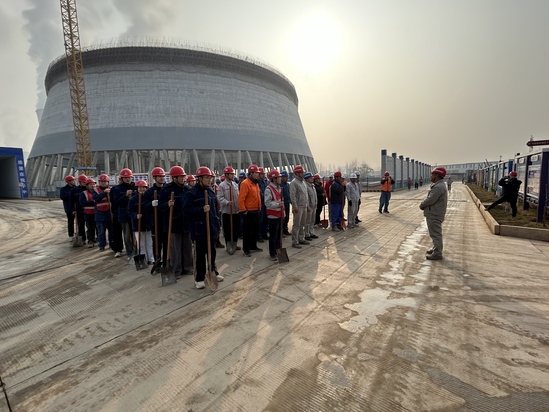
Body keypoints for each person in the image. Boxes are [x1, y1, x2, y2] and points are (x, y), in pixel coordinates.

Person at [183, 167, 224, 289]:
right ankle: (199, 278)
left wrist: (218, 224)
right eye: (207, 178)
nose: (209, 180)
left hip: (212, 228)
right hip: (199, 230)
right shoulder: (192, 193)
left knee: (212, 252)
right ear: (199, 179)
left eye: (210, 178)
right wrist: (201, 210)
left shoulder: (210, 191)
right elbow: (186, 211)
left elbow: (216, 210)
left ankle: (213, 272)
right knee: (200, 255)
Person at [159, 166, 193, 279]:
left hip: (185, 223)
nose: (183, 178)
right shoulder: (166, 190)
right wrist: (167, 204)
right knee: (175, 250)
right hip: (173, 224)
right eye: (181, 177)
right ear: (174, 178)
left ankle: (188, 267)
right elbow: (160, 206)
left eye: (183, 176)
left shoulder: (187, 189)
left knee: (187, 247)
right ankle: (176, 270)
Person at [419, 167, 449, 261]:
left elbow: (430, 199)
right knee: (434, 233)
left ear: (437, 175)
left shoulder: (438, 187)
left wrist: (422, 205)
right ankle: (436, 248)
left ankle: (437, 253)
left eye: (432, 175)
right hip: (435, 212)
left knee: (436, 234)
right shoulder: (439, 185)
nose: (431, 176)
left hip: (434, 214)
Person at [143, 167, 167, 269]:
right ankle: (157, 261)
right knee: (157, 243)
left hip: (166, 220)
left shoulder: (167, 189)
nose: (162, 178)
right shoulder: (149, 192)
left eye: (163, 176)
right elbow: (144, 207)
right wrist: (151, 204)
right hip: (155, 221)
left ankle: (166, 262)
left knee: (167, 243)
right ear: (154, 178)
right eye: (159, 176)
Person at [238, 164, 263, 257]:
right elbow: (241, 198)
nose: (258, 174)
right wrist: (243, 210)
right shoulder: (245, 183)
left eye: (258, 173)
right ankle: (246, 249)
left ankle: (253, 246)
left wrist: (259, 207)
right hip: (248, 212)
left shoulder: (256, 183)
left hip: (256, 210)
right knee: (247, 231)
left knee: (255, 230)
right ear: (251, 173)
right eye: (256, 173)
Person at [128, 180, 154, 264]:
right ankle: (144, 259)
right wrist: (136, 215)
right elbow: (130, 211)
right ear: (137, 188)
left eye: (143, 187)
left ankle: (151, 259)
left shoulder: (149, 198)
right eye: (140, 187)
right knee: (141, 244)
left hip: (148, 224)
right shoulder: (133, 199)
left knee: (149, 243)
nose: (142, 189)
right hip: (138, 224)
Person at [112, 168, 135, 261]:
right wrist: (125, 195)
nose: (127, 179)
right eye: (125, 178)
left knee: (136, 234)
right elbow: (116, 201)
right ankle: (130, 253)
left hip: (134, 214)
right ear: (122, 178)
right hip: (124, 215)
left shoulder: (135, 186)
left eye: (129, 177)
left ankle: (136, 251)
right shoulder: (117, 189)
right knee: (127, 236)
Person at [217, 166, 241, 252]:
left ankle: (234, 244)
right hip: (227, 212)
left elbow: (238, 196)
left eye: (233, 174)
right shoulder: (222, 185)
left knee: (235, 229)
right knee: (228, 230)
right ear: (226, 175)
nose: (233, 175)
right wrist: (227, 202)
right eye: (231, 174)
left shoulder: (235, 185)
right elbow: (219, 197)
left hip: (235, 211)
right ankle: (229, 246)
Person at [264, 170, 284, 260]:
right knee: (273, 236)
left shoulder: (280, 188)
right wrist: (278, 205)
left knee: (279, 236)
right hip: (273, 216)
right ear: (274, 179)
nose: (280, 179)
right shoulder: (268, 189)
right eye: (278, 177)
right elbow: (267, 203)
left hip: (279, 215)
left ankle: (278, 251)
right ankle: (272, 253)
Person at [92, 174, 114, 252]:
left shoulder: (111, 189)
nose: (103, 183)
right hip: (100, 214)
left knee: (112, 231)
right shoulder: (95, 190)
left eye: (105, 181)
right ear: (99, 182)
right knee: (101, 232)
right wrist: (104, 193)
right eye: (102, 182)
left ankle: (112, 244)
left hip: (109, 213)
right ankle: (102, 245)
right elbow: (96, 198)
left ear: (108, 182)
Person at [289, 165, 309, 248]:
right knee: (297, 225)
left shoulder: (303, 182)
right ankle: (295, 241)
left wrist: (307, 205)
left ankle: (301, 238)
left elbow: (305, 194)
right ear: (297, 173)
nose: (303, 174)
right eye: (301, 172)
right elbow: (293, 195)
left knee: (302, 223)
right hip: (298, 206)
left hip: (304, 205)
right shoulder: (294, 183)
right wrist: (295, 206)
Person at [69, 174, 88, 245]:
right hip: (79, 210)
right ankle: (83, 239)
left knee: (90, 225)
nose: (85, 183)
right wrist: (73, 210)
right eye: (83, 182)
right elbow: (71, 201)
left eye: (86, 182)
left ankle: (91, 238)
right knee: (81, 225)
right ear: (80, 182)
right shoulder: (74, 190)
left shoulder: (89, 189)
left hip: (88, 210)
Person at [79, 178, 97, 247]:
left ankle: (98, 240)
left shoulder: (98, 192)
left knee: (98, 228)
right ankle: (90, 240)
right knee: (90, 228)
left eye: (93, 184)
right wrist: (93, 202)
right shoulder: (83, 193)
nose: (92, 186)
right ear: (87, 185)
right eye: (90, 184)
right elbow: (82, 202)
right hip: (88, 213)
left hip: (97, 213)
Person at [60, 175, 76, 240]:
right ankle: (71, 235)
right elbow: (63, 197)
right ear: (68, 182)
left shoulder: (76, 188)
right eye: (72, 180)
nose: (74, 181)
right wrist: (71, 194)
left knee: (80, 222)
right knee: (71, 222)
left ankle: (80, 234)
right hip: (69, 208)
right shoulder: (63, 189)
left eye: (74, 180)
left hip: (77, 207)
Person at [303, 172, 318, 240]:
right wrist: (307, 206)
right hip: (309, 207)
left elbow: (315, 197)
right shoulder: (306, 187)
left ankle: (311, 232)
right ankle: (307, 234)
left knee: (312, 221)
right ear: (307, 179)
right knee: (308, 221)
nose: (312, 178)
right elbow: (306, 198)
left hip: (314, 206)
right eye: (310, 177)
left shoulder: (312, 186)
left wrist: (316, 204)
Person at [280, 170, 291, 236]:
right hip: (282, 204)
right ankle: (281, 232)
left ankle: (285, 230)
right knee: (282, 219)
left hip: (287, 203)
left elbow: (289, 193)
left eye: (287, 177)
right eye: (285, 177)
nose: (287, 178)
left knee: (287, 218)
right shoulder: (280, 185)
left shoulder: (287, 185)